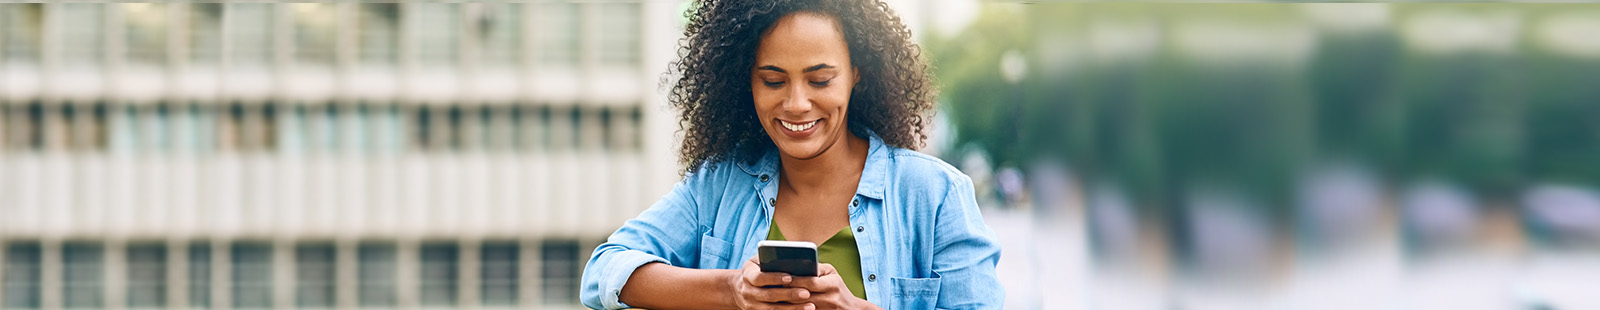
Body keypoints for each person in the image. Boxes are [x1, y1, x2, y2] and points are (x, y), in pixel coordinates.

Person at [580, 0, 1002, 308]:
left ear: (856, 74)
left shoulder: (935, 195)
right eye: (773, 80)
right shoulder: (719, 186)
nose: (796, 104)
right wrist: (731, 290)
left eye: (819, 80)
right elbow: (603, 271)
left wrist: (852, 308)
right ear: (746, 81)